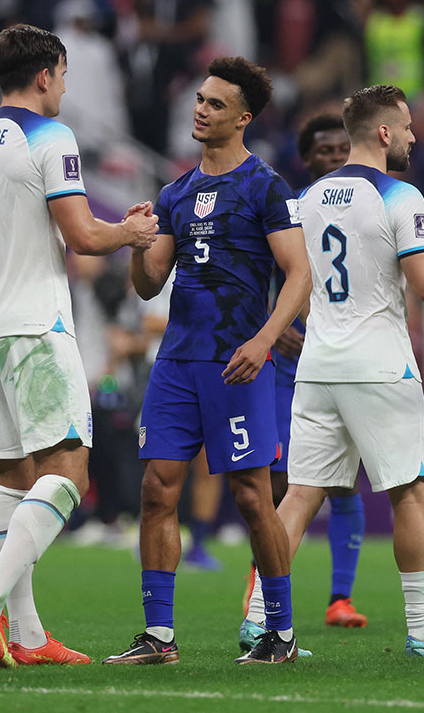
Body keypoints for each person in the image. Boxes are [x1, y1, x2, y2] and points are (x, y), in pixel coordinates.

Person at [0, 23, 158, 668]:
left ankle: (28, 637)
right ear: (44, 76)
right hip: (35, 327)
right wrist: (134, 231)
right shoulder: (50, 136)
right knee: (67, 471)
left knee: (12, 478)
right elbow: (84, 236)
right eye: (62, 75)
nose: (64, 87)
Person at [242, 84, 424, 658]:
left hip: (319, 362)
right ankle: (423, 632)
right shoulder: (401, 196)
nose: (413, 135)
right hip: (378, 365)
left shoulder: (305, 198)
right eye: (405, 126)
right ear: (382, 133)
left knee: (298, 497)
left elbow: (302, 277)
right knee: (410, 494)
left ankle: (258, 621)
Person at [102, 56, 311, 666]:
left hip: (238, 361)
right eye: (199, 98)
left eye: (215, 104)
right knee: (155, 490)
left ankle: (280, 633)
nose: (200, 108)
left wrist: (266, 339)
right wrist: (138, 243)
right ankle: (159, 637)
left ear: (243, 118)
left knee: (251, 496)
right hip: (178, 360)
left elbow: (299, 274)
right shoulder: (175, 192)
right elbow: (148, 285)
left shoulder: (267, 186)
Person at [241, 113, 366, 627]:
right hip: (288, 363)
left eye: (343, 148)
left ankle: (340, 598)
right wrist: (274, 327)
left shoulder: (368, 206)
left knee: (344, 483)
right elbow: (261, 280)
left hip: (347, 356)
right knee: (274, 482)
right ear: (308, 158)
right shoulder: (288, 210)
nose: (337, 156)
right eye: (326, 150)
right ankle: (260, 594)